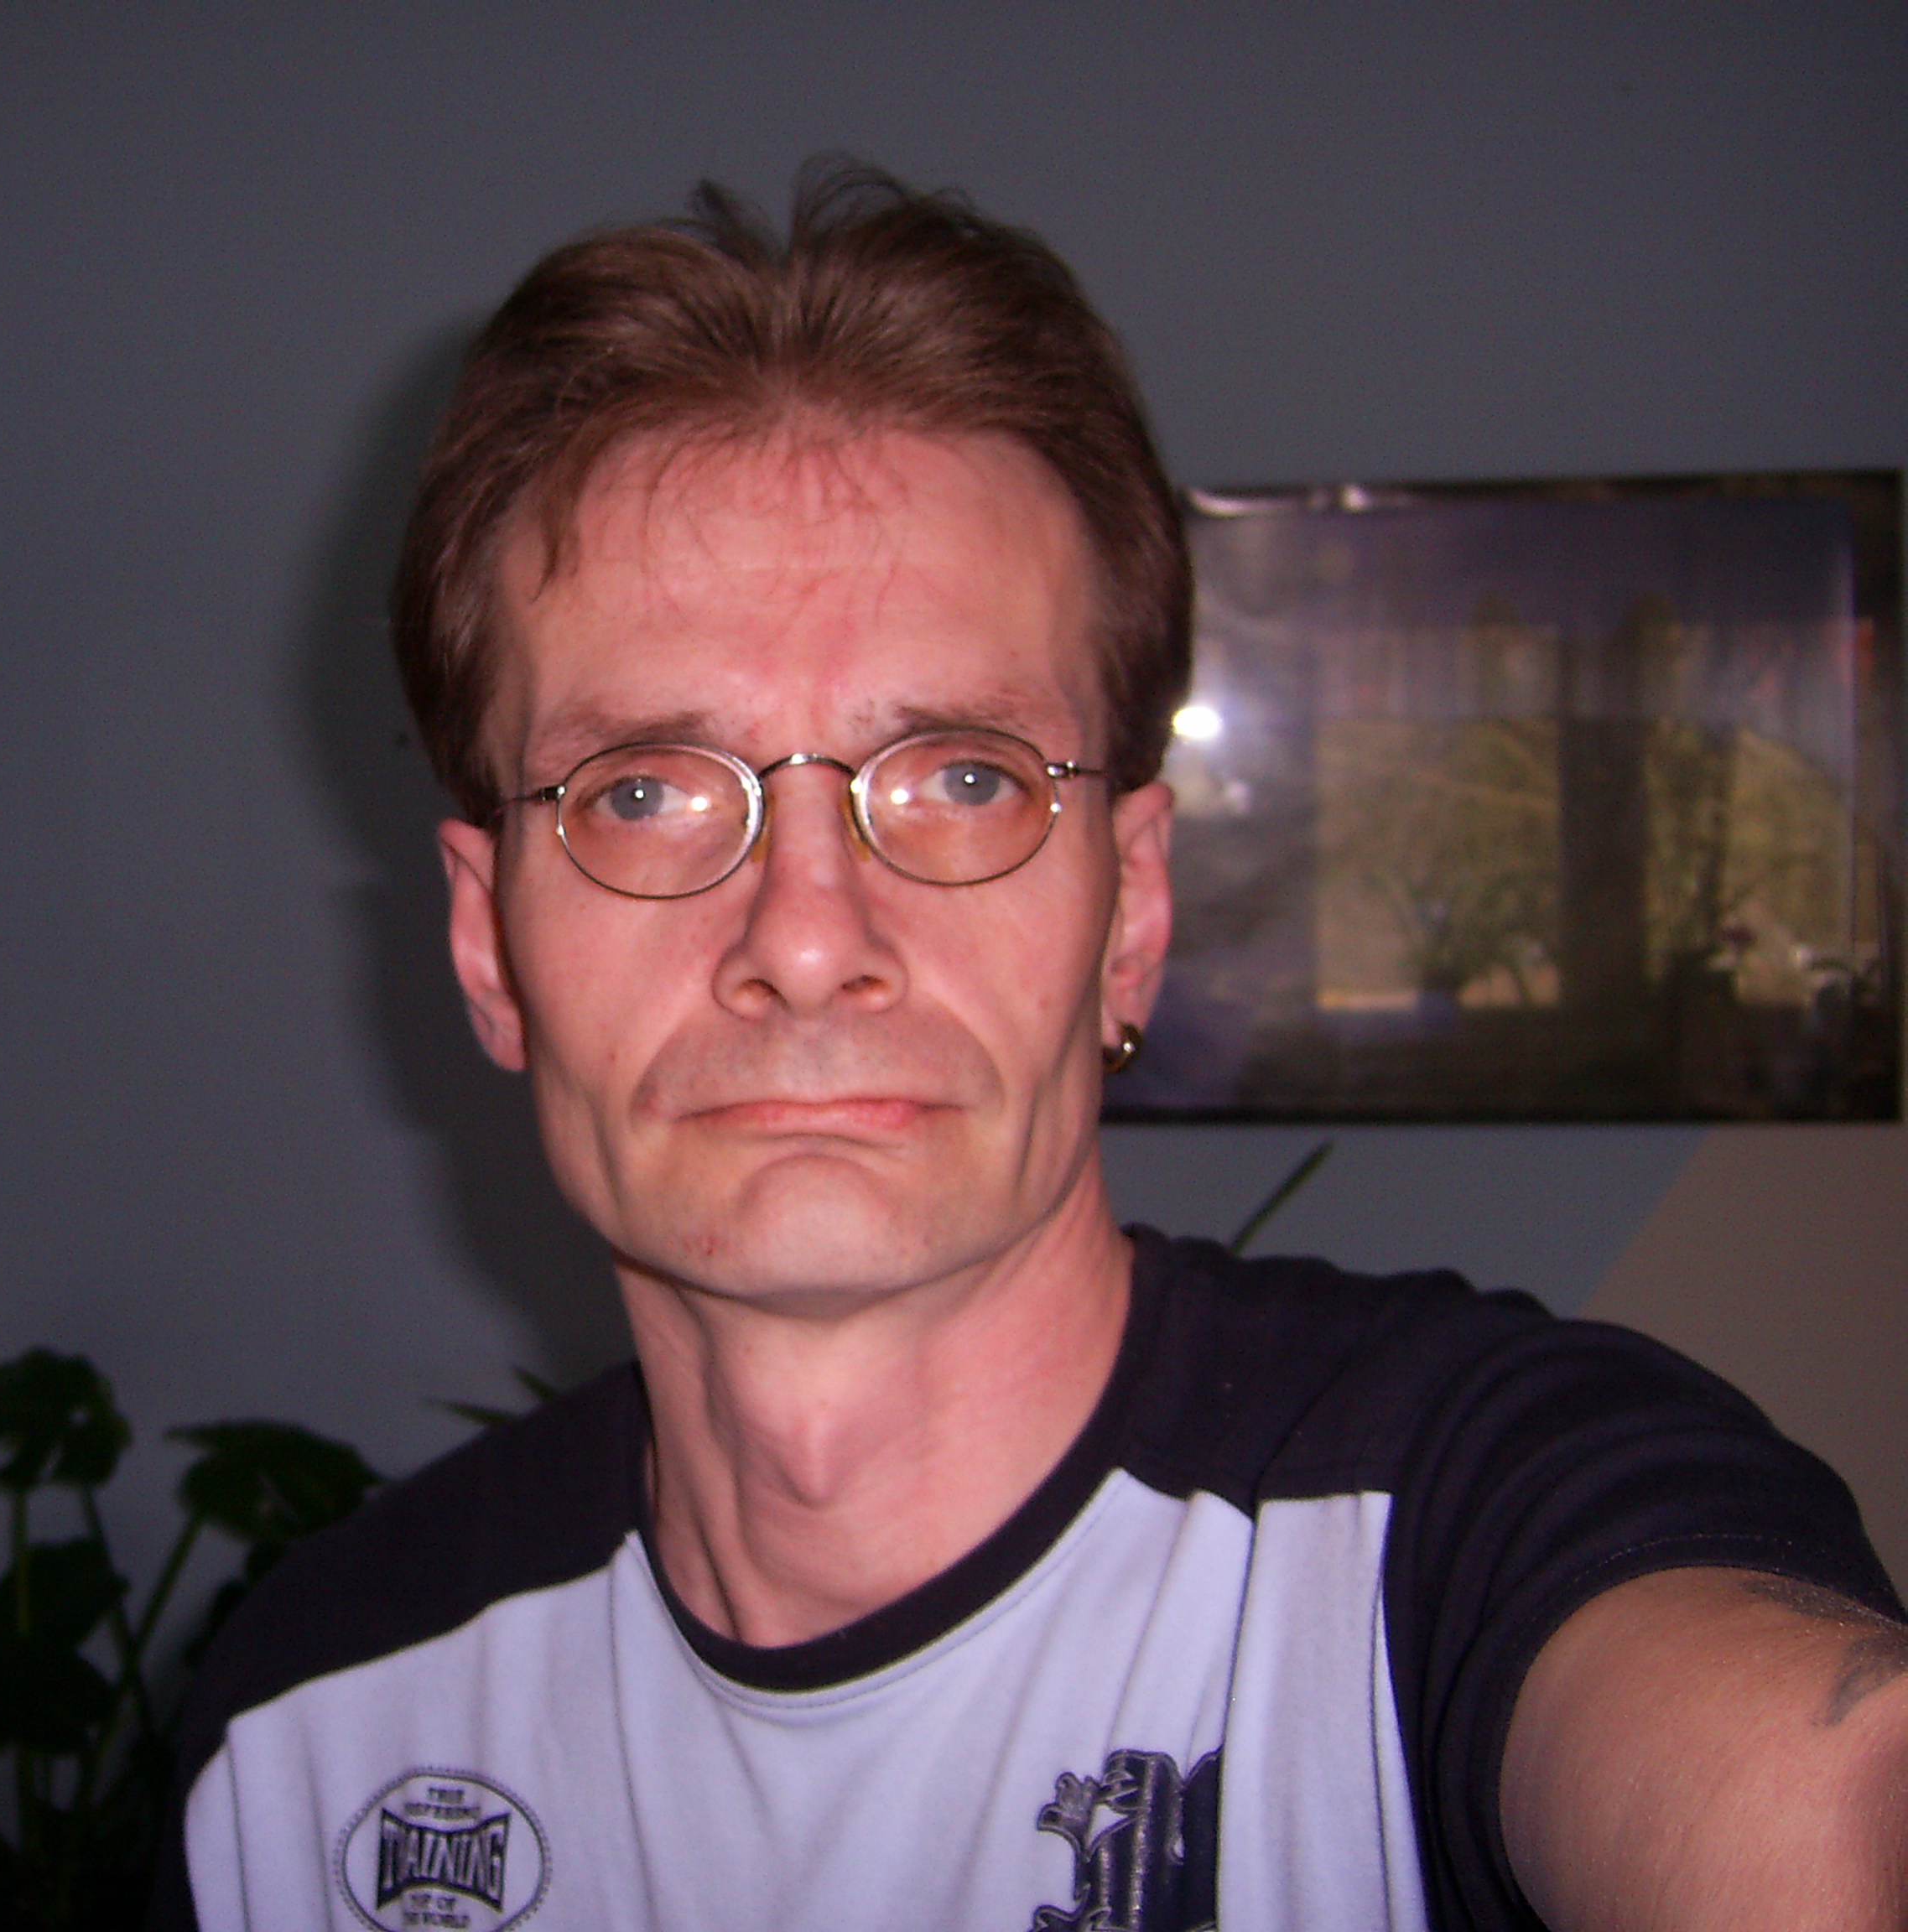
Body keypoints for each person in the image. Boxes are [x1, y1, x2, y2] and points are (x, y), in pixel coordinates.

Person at [156, 168, 1907, 1932]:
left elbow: (1810, 1800)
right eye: (646, 793)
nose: (807, 940)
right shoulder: (305, 1741)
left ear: (1131, 908)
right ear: (489, 947)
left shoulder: (1465, 1530)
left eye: (963, 777)